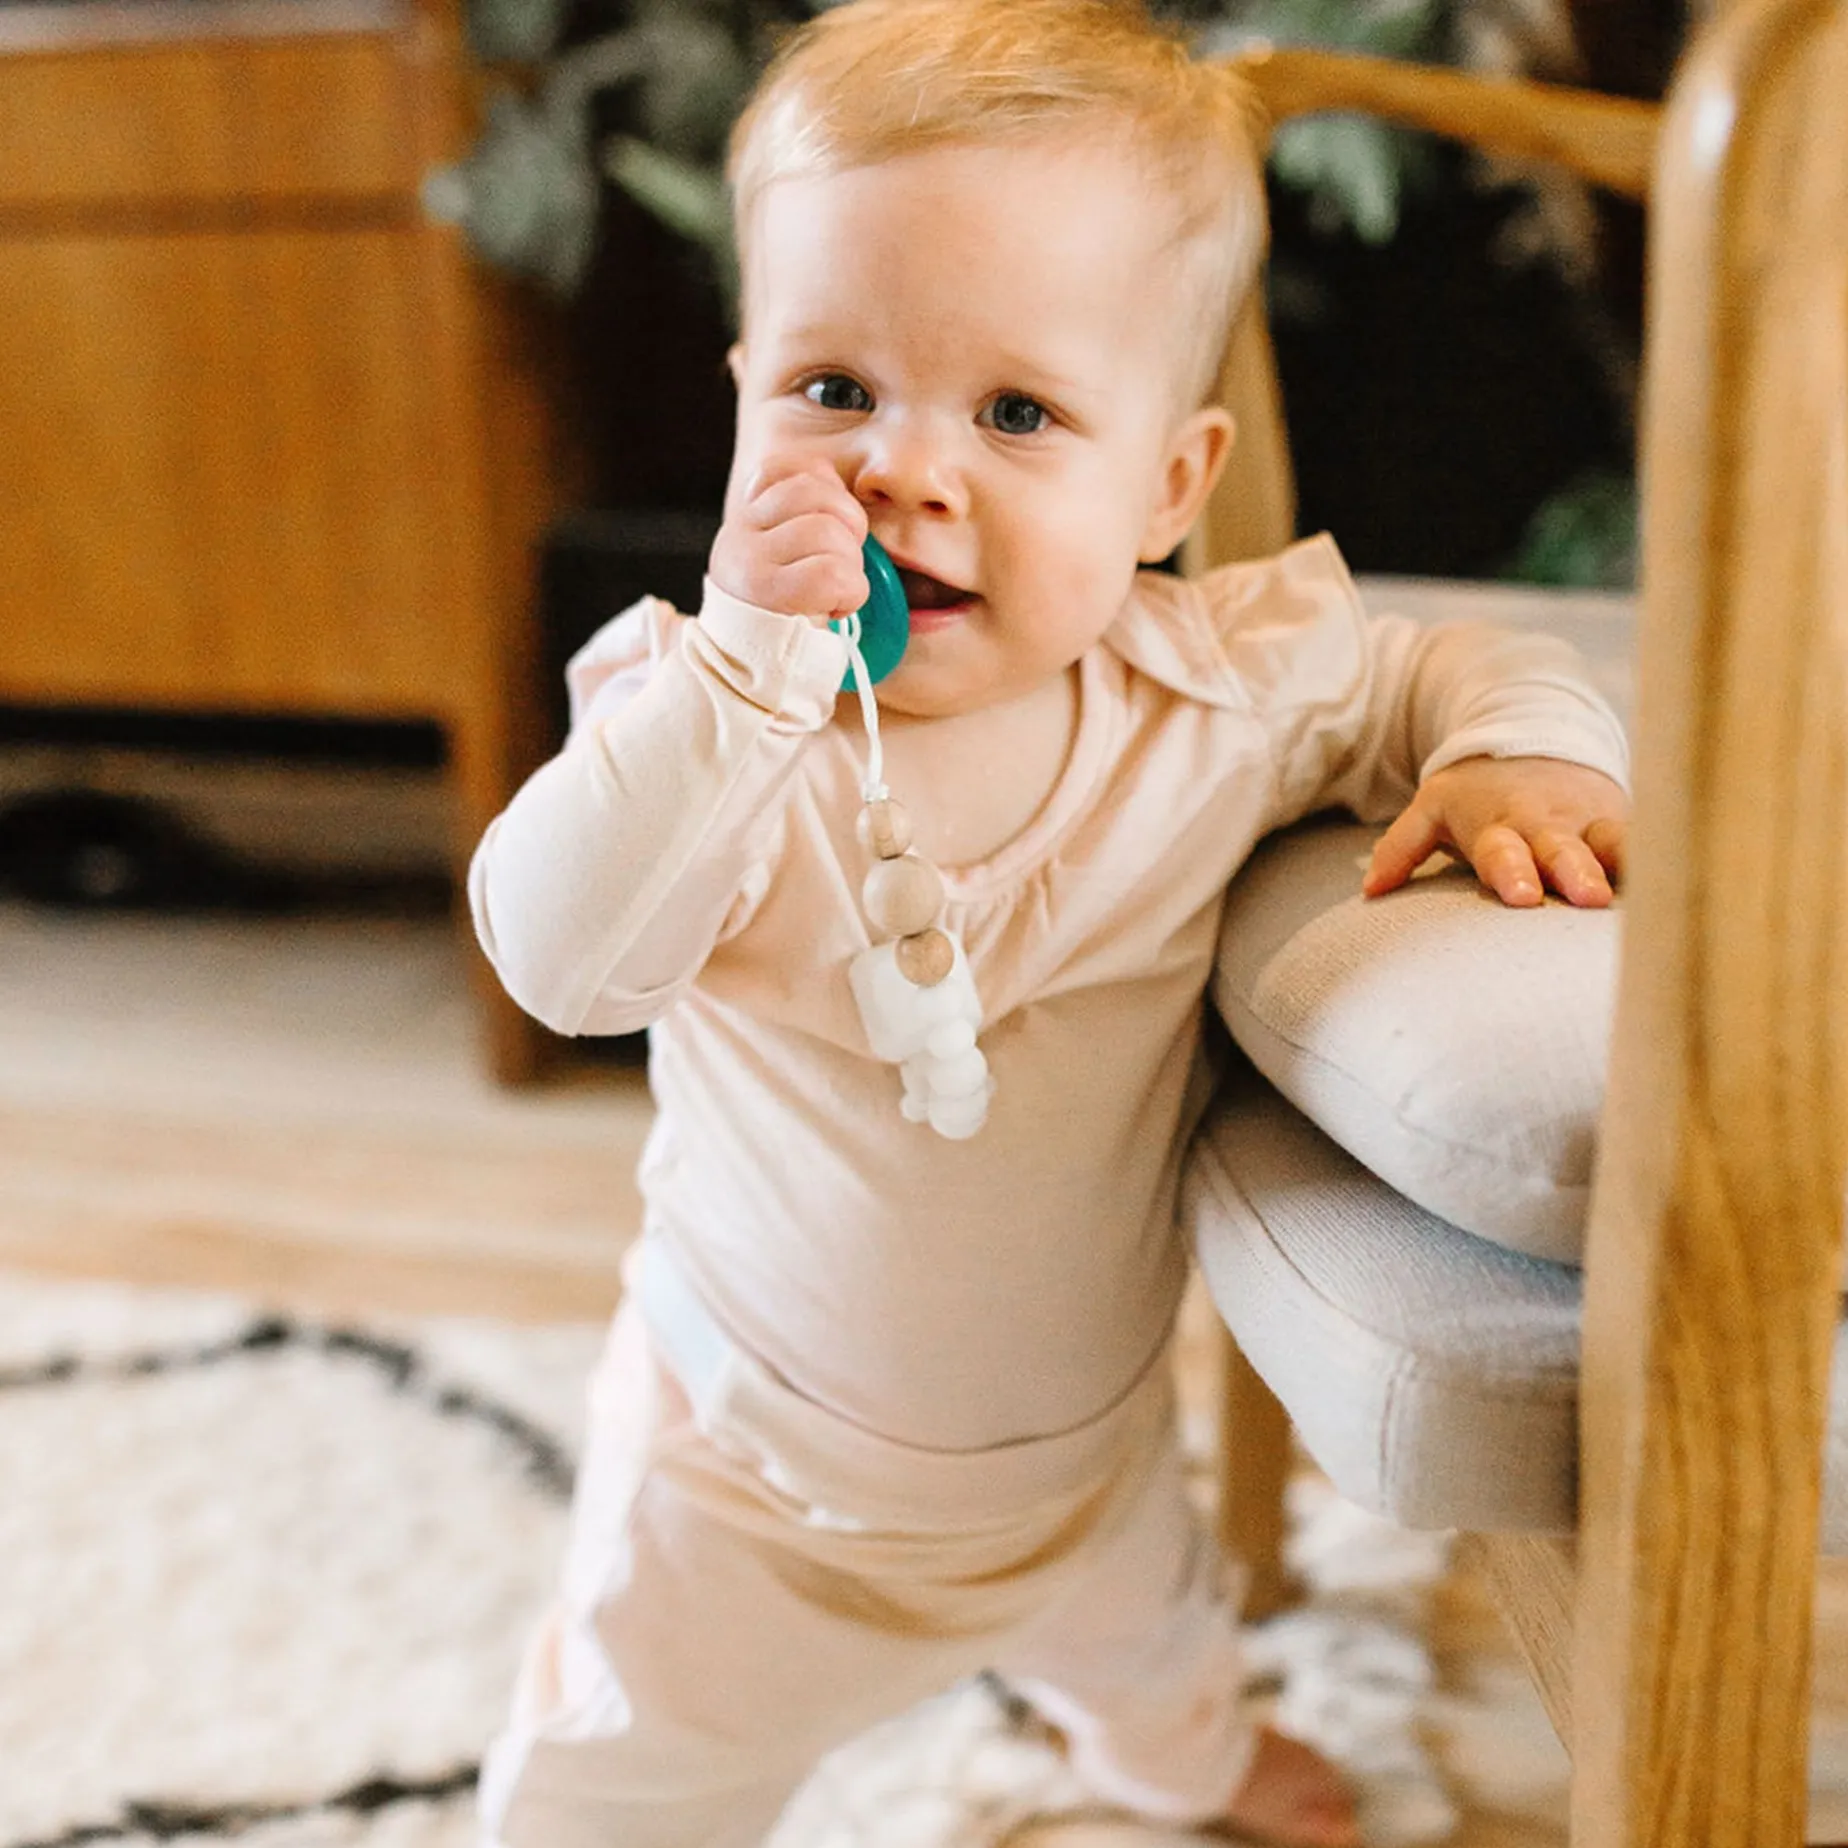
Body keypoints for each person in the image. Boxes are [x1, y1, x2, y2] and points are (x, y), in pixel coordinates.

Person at [468, 2, 1629, 1843]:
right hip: (751, 1478)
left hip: (1086, 1454)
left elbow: (1452, 662)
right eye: (832, 390)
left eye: (1016, 413)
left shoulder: (1214, 691)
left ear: (1168, 484)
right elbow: (558, 959)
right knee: (616, 1776)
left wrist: (1520, 756)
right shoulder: (693, 722)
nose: (903, 471)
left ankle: (1176, 1760)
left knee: (1154, 1651)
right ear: (745, 392)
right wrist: (740, 687)